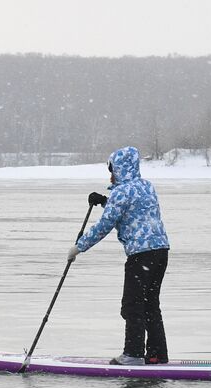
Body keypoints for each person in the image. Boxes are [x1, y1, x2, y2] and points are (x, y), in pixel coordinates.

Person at [68, 146, 171, 365]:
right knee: (151, 304)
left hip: (141, 255)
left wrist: (79, 247)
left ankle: (133, 354)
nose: (111, 174)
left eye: (112, 169)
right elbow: (133, 211)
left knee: (132, 304)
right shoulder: (146, 187)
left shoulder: (121, 192)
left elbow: (106, 224)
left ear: (121, 169)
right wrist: (105, 201)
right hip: (160, 252)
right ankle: (156, 355)